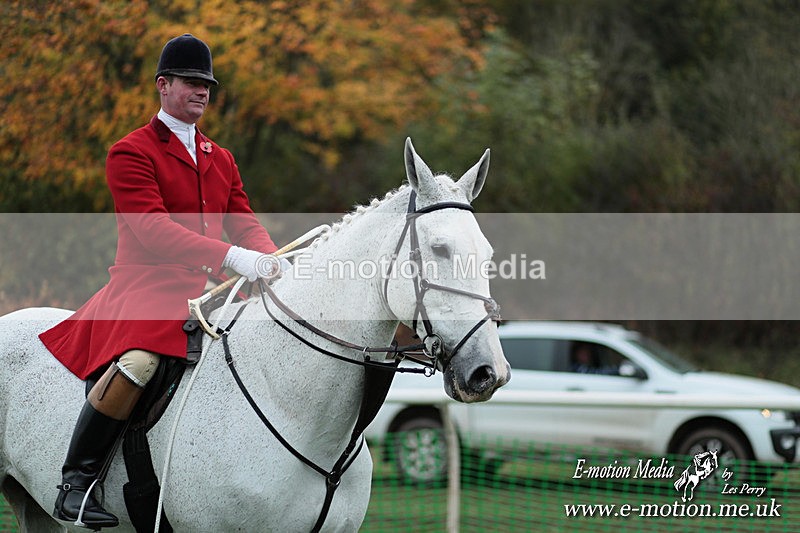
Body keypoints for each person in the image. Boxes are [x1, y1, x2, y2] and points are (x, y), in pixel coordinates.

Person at [39, 34, 281, 529]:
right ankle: (76, 482)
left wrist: (274, 261)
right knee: (141, 361)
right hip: (147, 285)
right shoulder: (130, 151)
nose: (201, 92)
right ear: (163, 85)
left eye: (207, 85)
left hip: (208, 292)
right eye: (191, 83)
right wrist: (236, 257)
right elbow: (153, 230)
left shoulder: (222, 156)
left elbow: (245, 221)